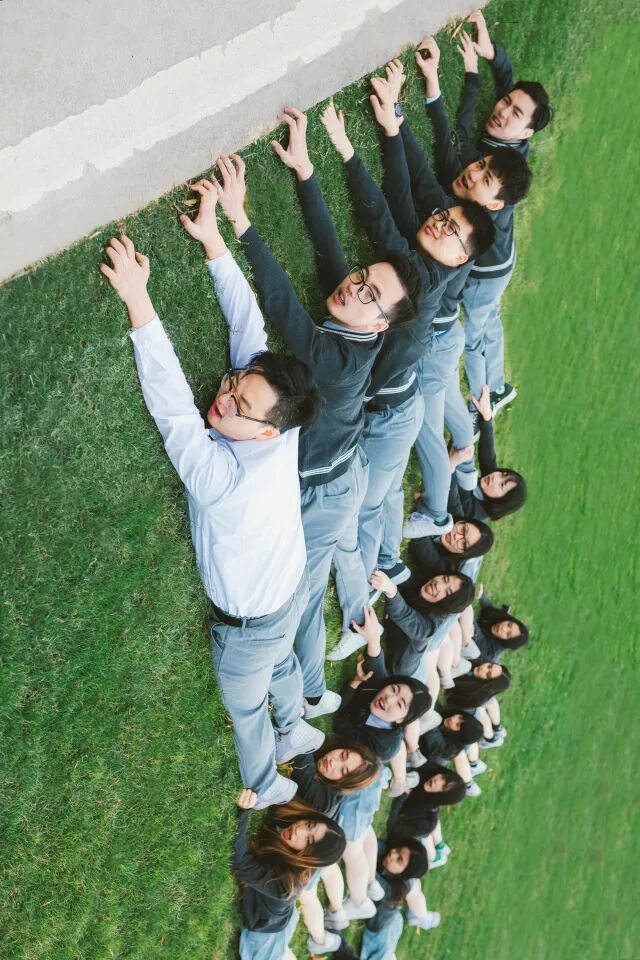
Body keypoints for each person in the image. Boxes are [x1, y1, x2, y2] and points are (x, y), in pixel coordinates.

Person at [99, 189, 324, 810]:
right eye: (233, 384)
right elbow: (249, 330)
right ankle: (296, 720)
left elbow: (173, 409)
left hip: (253, 621)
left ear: (268, 431)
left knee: (246, 704)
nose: (223, 398)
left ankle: (267, 780)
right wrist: (213, 241)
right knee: (281, 665)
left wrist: (138, 298)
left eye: (239, 406)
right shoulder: (279, 420)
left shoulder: (224, 482)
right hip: (289, 585)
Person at [213, 125, 421, 719]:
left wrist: (240, 220)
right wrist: (305, 170)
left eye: (368, 295)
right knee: (319, 573)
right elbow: (329, 246)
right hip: (342, 469)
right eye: (362, 278)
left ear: (378, 324)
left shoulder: (335, 360)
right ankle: (324, 668)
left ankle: (306, 695)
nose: (353, 287)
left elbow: (282, 305)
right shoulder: (356, 315)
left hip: (326, 488)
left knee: (299, 595)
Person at [320, 95, 493, 652]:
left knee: (359, 514)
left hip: (393, 412)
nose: (438, 224)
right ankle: (387, 569)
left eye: (451, 230)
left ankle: (360, 617)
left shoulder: (421, 281)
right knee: (377, 501)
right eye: (443, 218)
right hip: (400, 405)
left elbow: (382, 216)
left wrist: (348, 149)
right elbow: (397, 202)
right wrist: (390, 131)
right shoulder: (424, 264)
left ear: (460, 257)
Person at [375, 53, 528, 541]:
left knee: (424, 428)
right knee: (446, 415)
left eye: (484, 179)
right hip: (447, 336)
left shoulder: (469, 236)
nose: (472, 175)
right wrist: (400, 114)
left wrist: (397, 123)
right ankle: (473, 429)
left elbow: (418, 187)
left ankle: (438, 515)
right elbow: (433, 166)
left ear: (495, 203)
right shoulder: (463, 210)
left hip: (440, 340)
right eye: (479, 167)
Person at [453, 11, 551, 426]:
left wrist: (472, 74)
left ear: (526, 133)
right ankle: (499, 385)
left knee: (474, 335)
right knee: (489, 319)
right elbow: (509, 80)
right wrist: (491, 51)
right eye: (506, 103)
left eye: (515, 115)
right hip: (503, 259)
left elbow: (458, 135)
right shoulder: (514, 147)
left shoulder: (493, 166)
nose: (503, 112)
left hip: (488, 270)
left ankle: (483, 402)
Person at [331, 606, 431, 922]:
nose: (389, 698)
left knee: (351, 847)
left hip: (361, 789)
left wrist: (353, 686)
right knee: (364, 834)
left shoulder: (384, 743)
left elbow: (341, 724)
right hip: (371, 781)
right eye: (395, 690)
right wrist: (374, 639)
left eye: (399, 704)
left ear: (401, 720)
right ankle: (371, 885)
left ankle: (359, 900)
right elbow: (379, 671)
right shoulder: (384, 693)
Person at [288, 741, 382, 954]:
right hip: (322, 838)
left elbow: (298, 749)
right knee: (328, 870)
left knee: (307, 893)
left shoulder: (320, 796)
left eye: (343, 770)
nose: (334, 762)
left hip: (313, 848)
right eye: (343, 754)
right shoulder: (329, 786)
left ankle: (321, 941)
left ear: (346, 782)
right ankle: (338, 912)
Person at [233, 788, 346, 960]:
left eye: (308, 841)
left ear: (310, 857)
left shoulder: (286, 885)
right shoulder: (293, 815)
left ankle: (326, 942)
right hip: (284, 913)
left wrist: (243, 812)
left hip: (267, 931)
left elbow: (239, 864)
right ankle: (326, 941)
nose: (298, 831)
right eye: (309, 825)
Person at [371, 567, 475, 679]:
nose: (438, 585)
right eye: (445, 579)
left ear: (448, 604)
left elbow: (403, 614)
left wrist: (392, 591)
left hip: (411, 673)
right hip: (421, 648)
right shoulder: (423, 582)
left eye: (447, 593)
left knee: (432, 671)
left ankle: (453, 669)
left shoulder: (428, 628)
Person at [447, 385, 527, 523]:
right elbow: (488, 458)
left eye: (502, 485)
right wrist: (487, 418)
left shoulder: (475, 515)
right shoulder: (490, 484)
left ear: (501, 502)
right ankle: (479, 410)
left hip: (442, 483)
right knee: (466, 450)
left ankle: (471, 422)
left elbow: (451, 494)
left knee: (469, 474)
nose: (496, 477)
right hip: (451, 467)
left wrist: (452, 465)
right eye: (503, 474)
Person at [359, 837, 437, 958]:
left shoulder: (390, 890)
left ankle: (423, 917)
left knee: (385, 950)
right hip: (392, 918)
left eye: (399, 859)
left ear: (402, 874)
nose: (393, 854)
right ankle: (421, 916)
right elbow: (372, 843)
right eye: (398, 849)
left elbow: (366, 872)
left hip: (378, 931)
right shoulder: (391, 863)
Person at [472, 594, 530, 662]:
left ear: (508, 642)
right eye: (509, 624)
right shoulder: (502, 619)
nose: (503, 628)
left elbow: (472, 627)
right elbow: (489, 609)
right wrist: (481, 596)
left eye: (508, 634)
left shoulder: (491, 651)